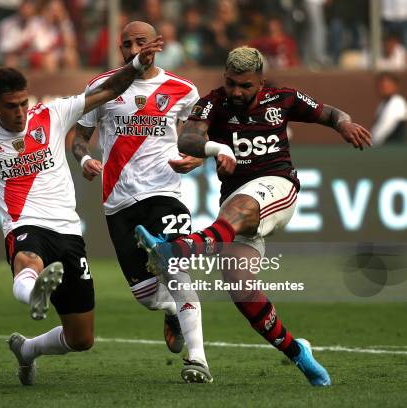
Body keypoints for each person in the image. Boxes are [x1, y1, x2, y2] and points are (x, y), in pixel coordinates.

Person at [0, 36, 163, 386]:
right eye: (10, 106)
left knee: (81, 339)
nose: (18, 112)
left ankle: (28, 349)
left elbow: (107, 90)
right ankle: (34, 292)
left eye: (22, 103)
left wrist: (137, 65)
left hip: (68, 232)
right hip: (24, 224)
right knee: (28, 259)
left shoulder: (52, 114)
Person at [135, 46, 372, 387]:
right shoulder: (213, 103)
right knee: (241, 288)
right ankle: (298, 352)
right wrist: (216, 149)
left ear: (260, 81)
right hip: (235, 205)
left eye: (245, 86)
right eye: (231, 83)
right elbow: (188, 139)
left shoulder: (284, 98)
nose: (236, 92)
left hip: (278, 188)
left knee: (241, 206)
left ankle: (177, 250)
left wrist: (345, 123)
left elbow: (327, 113)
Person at [73, 21, 211, 383]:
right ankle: (172, 314)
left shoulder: (183, 89)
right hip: (118, 201)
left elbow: (195, 140)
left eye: (140, 42)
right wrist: (84, 158)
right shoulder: (102, 87)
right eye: (126, 44)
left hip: (165, 192)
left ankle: (197, 359)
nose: (133, 49)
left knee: (177, 266)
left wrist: (196, 159)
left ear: (155, 46)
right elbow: (80, 138)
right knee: (148, 296)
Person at [371, 72, 407, 145]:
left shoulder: (397, 102)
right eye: (381, 86)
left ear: (395, 86)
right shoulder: (383, 104)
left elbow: (384, 129)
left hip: (393, 150)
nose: (383, 88)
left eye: (387, 85)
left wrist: (371, 143)